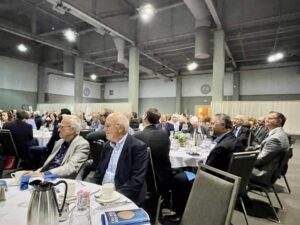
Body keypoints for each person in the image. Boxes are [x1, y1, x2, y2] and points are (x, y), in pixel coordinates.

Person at [170, 113, 244, 219]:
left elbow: (208, 172)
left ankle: (180, 214)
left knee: (179, 178)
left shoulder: (222, 147)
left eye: (213, 124)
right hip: (231, 180)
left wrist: (198, 166)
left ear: (223, 125)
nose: (210, 126)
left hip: (216, 183)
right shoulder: (234, 140)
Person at [93, 113, 148, 206]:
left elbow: (136, 181)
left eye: (108, 126)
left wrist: (114, 196)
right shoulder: (107, 146)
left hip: (122, 195)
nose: (104, 129)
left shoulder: (137, 147)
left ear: (120, 128)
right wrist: (93, 190)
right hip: (101, 194)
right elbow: (99, 172)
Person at [25, 115, 90, 178]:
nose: (58, 130)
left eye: (61, 127)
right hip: (46, 176)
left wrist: (43, 174)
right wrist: (36, 172)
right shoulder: (60, 142)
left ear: (72, 130)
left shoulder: (82, 144)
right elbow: (49, 163)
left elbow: (71, 168)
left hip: (62, 180)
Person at [134, 108, 173, 194]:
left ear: (145, 118)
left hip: (144, 180)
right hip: (164, 179)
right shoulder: (164, 133)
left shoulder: (137, 136)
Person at [251, 111, 290, 185]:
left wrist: (246, 161)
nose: (266, 120)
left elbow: (261, 160)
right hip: (269, 168)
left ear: (279, 121)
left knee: (233, 166)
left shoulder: (275, 139)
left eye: (270, 118)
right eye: (266, 118)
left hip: (263, 173)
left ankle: (239, 194)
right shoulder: (280, 133)